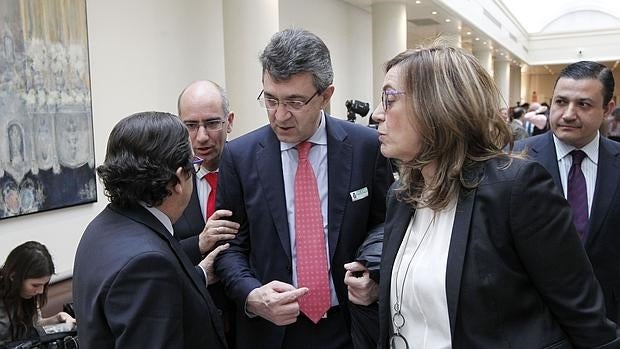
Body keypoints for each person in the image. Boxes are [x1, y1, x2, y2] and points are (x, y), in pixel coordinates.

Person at [373, 44, 619, 348]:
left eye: (389, 98)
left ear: (437, 105)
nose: (377, 114)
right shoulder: (403, 195)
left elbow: (584, 317)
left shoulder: (514, 189)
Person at [215, 28, 393, 349]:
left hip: (348, 327)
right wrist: (252, 294)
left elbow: (385, 224)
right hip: (271, 332)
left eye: (295, 101)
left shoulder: (367, 148)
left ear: (326, 95)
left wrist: (373, 272)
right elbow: (230, 248)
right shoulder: (239, 156)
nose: (280, 115)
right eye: (270, 99)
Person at [73, 112, 228, 348]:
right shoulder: (147, 264)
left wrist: (200, 274)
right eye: (193, 165)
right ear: (177, 180)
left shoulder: (102, 227)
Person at [514, 61, 620, 322]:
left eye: (583, 104)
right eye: (561, 102)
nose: (568, 114)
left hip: (609, 319)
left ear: (607, 109)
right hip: (534, 319)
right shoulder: (515, 159)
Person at [174, 80, 240, 346]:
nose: (201, 137)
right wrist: (198, 243)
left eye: (212, 123)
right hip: (196, 326)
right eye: (190, 126)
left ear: (229, 121)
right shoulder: (169, 183)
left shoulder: (254, 172)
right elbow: (159, 254)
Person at [0, 241, 76, 345]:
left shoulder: (28, 296)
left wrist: (58, 318)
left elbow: (33, 326)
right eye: (35, 285)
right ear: (14, 276)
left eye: (44, 285)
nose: (40, 291)